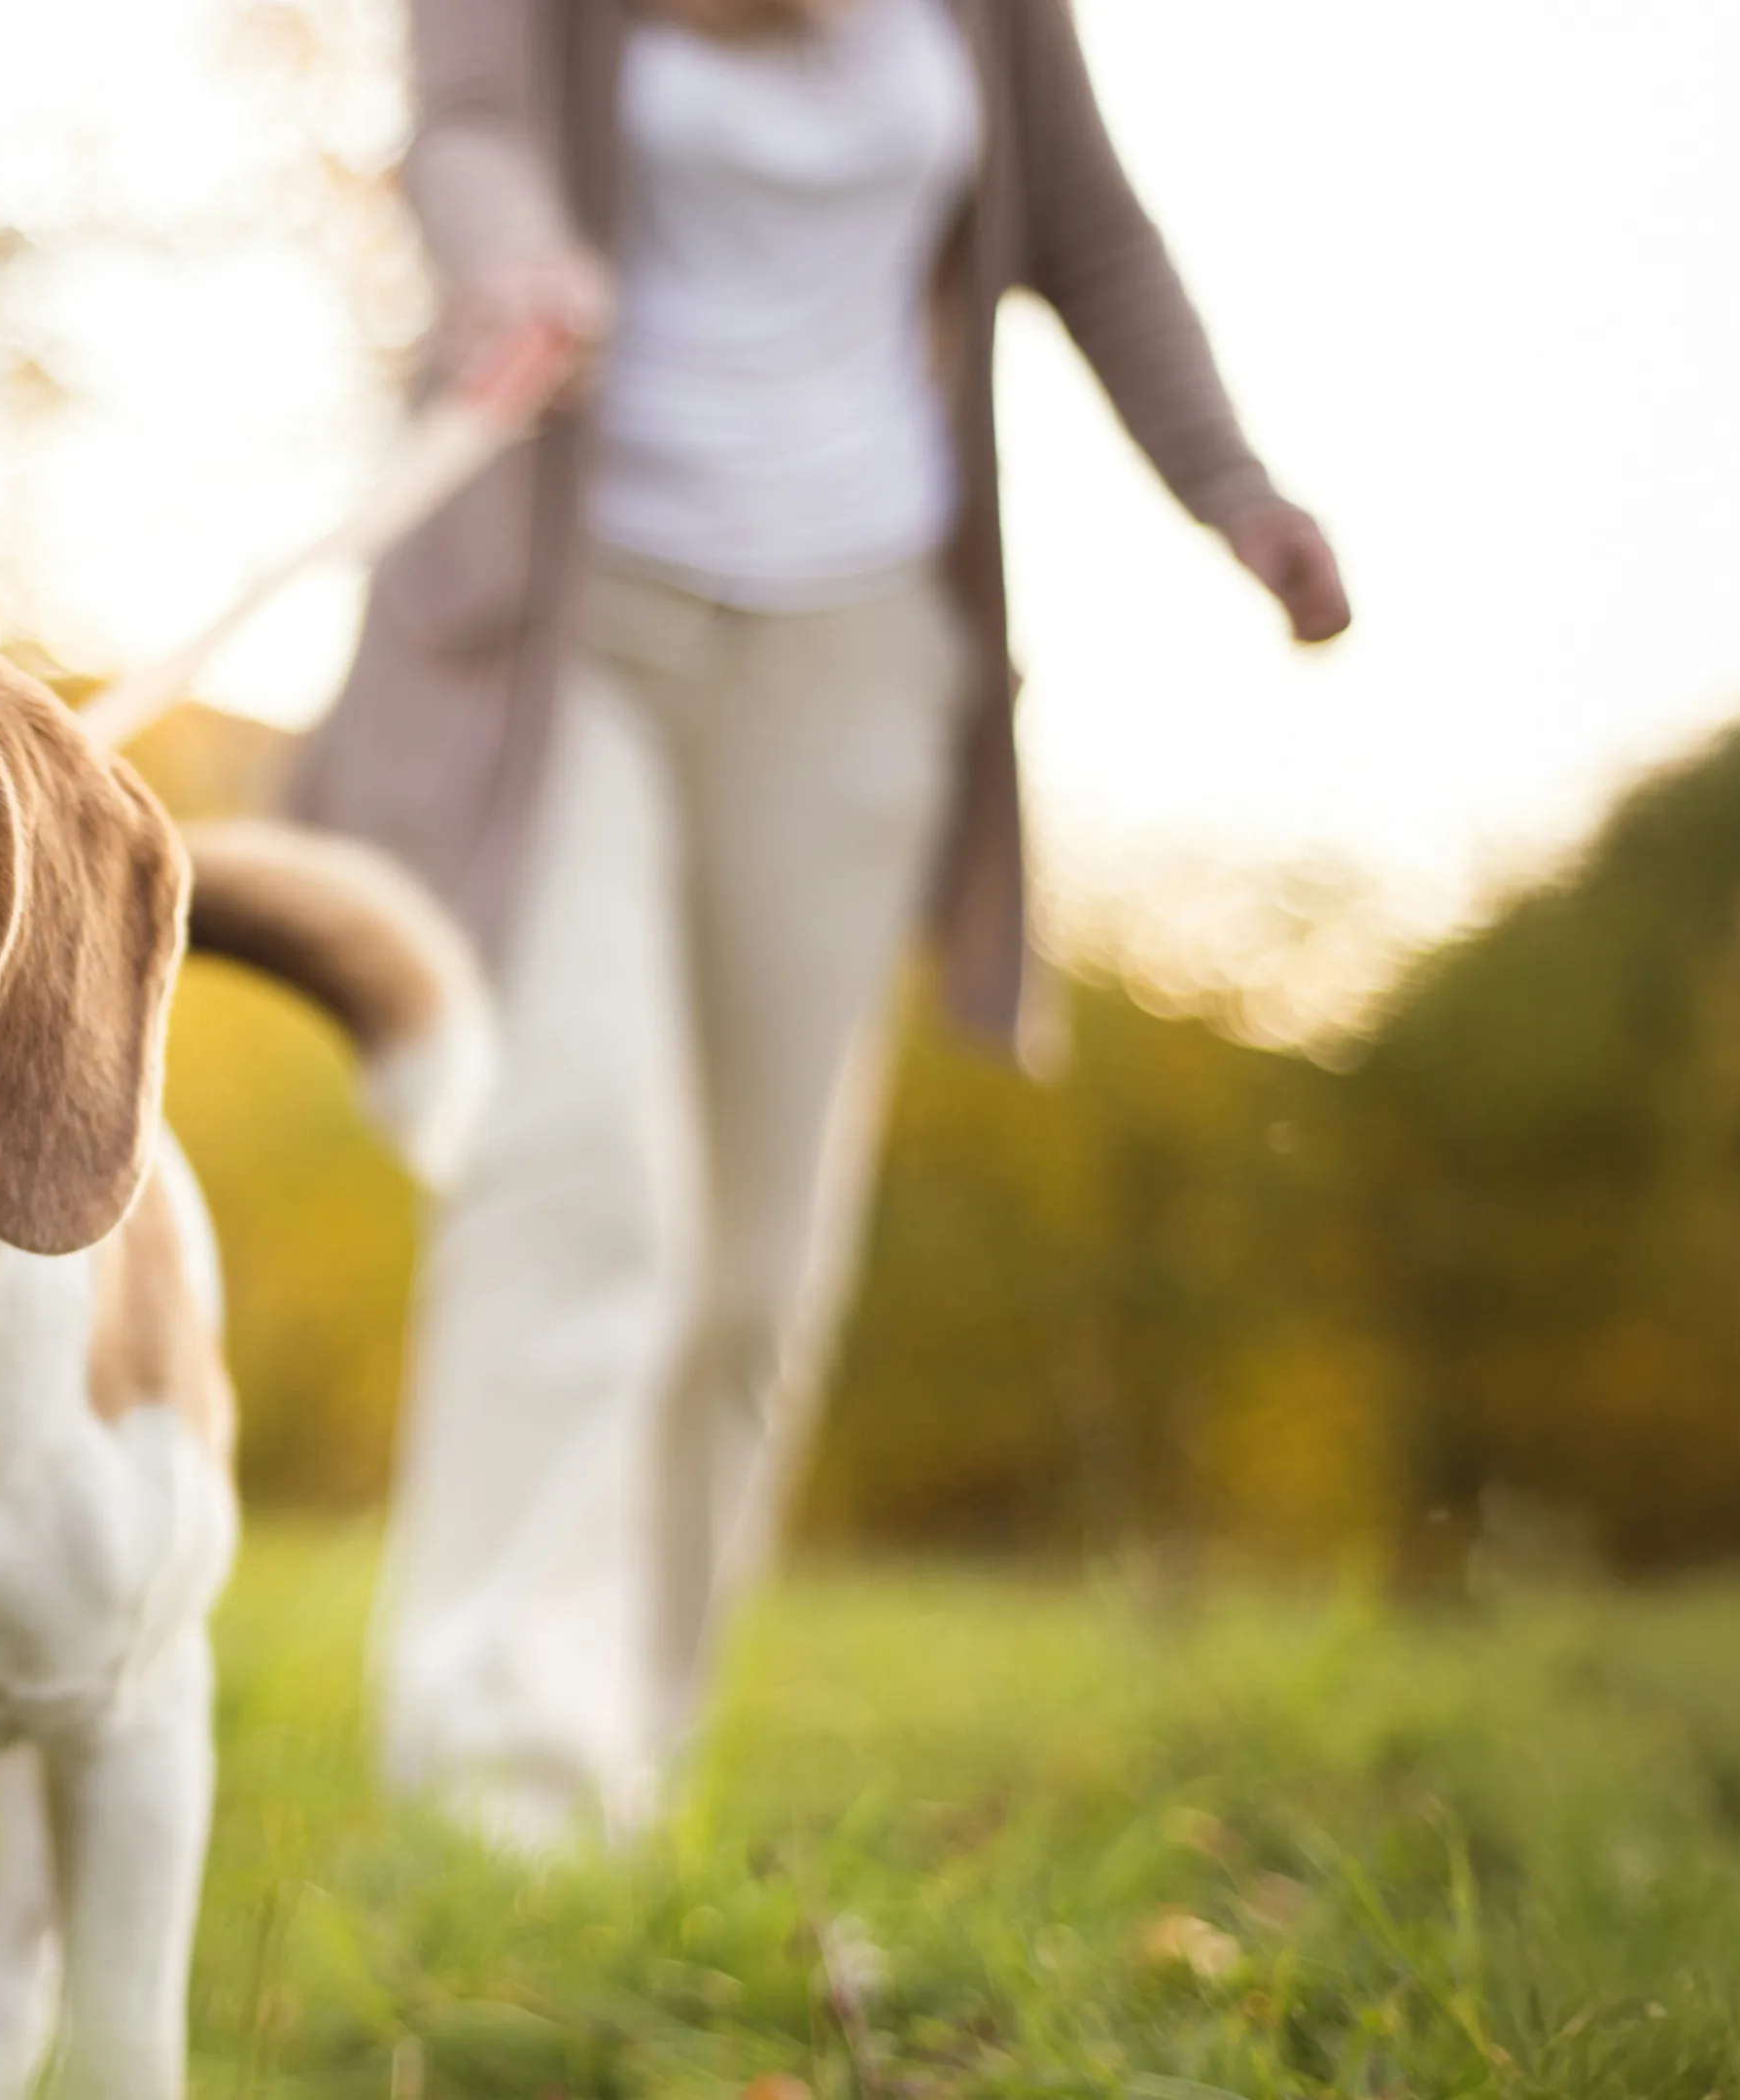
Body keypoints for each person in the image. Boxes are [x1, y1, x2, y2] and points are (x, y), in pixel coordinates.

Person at [292, 0, 1351, 1848]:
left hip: (860, 641)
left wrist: (1231, 489)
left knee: (757, 1269)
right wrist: (515, 249)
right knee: (584, 1168)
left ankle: (623, 1760)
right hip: (570, 620)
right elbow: (462, 122)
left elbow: (1091, 235)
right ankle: (482, 1778)